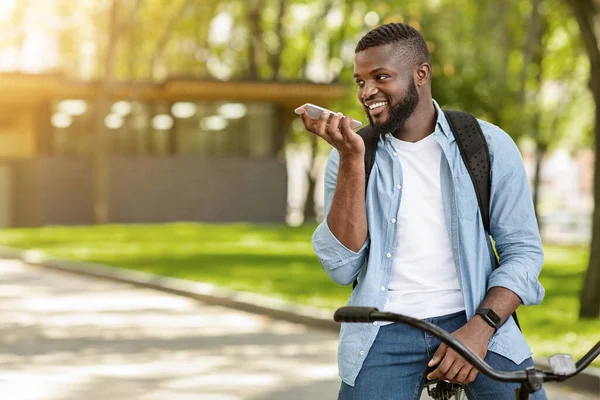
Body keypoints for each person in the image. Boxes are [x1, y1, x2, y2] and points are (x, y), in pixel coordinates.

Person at [296, 23, 547, 399]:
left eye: (380, 77)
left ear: (421, 74)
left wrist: (482, 326)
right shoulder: (353, 156)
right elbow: (341, 266)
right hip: (385, 328)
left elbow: (523, 252)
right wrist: (350, 159)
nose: (367, 93)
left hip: (478, 318)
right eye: (360, 81)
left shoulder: (488, 145)